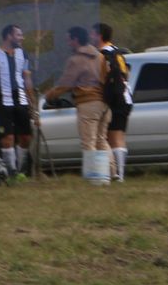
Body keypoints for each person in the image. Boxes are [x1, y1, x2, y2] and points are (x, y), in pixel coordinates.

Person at [0, 24, 36, 178]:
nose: (22, 38)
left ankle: (19, 167)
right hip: (2, 101)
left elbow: (27, 78)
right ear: (9, 36)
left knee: (26, 137)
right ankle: (11, 173)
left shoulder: (23, 54)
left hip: (21, 100)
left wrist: (32, 102)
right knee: (8, 137)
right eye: (19, 35)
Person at [48, 27, 109, 163]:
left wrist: (49, 96)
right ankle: (110, 173)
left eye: (68, 40)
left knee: (88, 142)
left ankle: (95, 177)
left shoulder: (77, 59)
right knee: (101, 140)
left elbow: (65, 84)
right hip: (104, 103)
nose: (67, 43)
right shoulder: (100, 56)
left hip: (88, 103)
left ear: (75, 40)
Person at [94, 23, 132, 182]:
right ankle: (118, 173)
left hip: (115, 98)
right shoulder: (117, 51)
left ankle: (116, 175)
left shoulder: (104, 54)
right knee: (119, 137)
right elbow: (126, 74)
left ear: (99, 35)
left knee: (111, 137)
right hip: (126, 96)